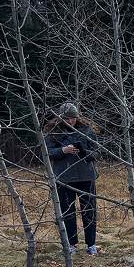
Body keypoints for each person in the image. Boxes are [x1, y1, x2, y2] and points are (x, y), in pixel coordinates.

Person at [44, 102, 100, 255]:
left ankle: (91, 244)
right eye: (67, 118)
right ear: (60, 118)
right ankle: (72, 245)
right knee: (68, 212)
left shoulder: (87, 131)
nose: (70, 121)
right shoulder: (53, 132)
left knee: (89, 211)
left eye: (73, 118)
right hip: (64, 177)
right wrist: (64, 150)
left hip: (86, 176)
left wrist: (83, 151)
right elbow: (47, 152)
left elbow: (96, 153)